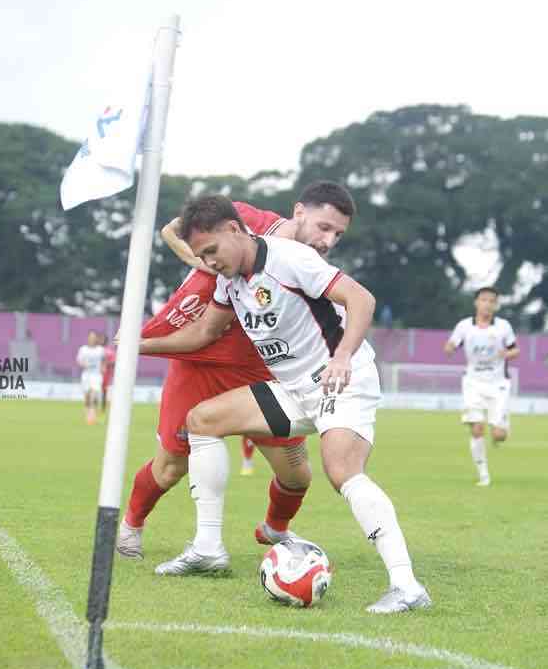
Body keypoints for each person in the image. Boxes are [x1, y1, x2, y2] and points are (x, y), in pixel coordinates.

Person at [139, 194, 431, 614]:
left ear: (235, 230)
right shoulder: (229, 281)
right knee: (202, 420)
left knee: (342, 471)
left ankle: (406, 585)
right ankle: (207, 548)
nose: (208, 262)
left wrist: (343, 358)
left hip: (341, 381)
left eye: (211, 251)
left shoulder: (290, 259)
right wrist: (139, 344)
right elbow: (203, 334)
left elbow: (361, 299)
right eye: (201, 255)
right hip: (294, 390)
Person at [117, 182, 355, 575]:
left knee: (296, 475)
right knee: (171, 467)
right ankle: (131, 527)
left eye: (337, 234)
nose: (327, 240)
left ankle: (276, 530)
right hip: (199, 364)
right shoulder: (248, 221)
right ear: (299, 212)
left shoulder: (311, 268)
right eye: (323, 227)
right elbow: (172, 230)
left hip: (259, 369)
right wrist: (205, 262)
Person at [444, 287, 519, 486]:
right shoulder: (464, 326)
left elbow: (515, 350)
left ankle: (501, 429)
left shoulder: (503, 327)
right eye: (483, 300)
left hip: (498, 385)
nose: (487, 304)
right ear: (476, 302)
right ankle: (483, 476)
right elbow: (450, 345)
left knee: (499, 435)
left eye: (491, 301)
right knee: (477, 428)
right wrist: (450, 348)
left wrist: (506, 354)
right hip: (473, 383)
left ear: (495, 305)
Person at [76, 330, 104, 425]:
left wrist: (103, 368)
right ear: (88, 338)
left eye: (94, 337)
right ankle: (88, 413)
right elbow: (79, 360)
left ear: (96, 339)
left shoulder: (100, 349)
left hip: (96, 375)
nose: (92, 339)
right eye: (90, 337)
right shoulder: (83, 349)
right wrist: (83, 364)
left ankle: (93, 415)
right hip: (86, 375)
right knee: (87, 395)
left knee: (95, 393)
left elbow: (104, 360)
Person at [99, 333, 116, 413]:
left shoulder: (109, 351)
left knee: (105, 392)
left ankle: (103, 407)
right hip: (95, 374)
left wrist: (106, 363)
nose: (101, 341)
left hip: (106, 375)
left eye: (103, 339)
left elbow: (114, 361)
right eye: (100, 339)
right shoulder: (96, 350)